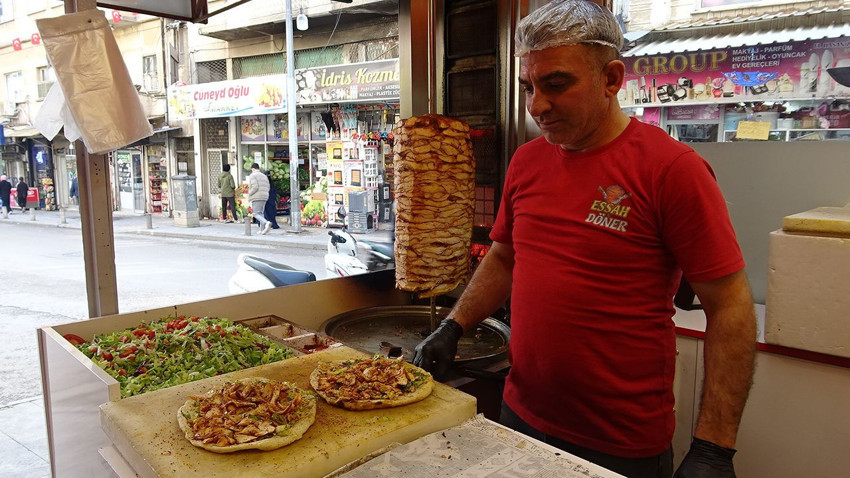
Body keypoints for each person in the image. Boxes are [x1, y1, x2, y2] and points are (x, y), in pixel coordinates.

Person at [412, 2, 757, 478]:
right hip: (520, 415)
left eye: (556, 84)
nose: (537, 105)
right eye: (528, 87)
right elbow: (505, 258)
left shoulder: (673, 170)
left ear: (611, 79)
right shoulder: (528, 161)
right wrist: (454, 325)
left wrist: (714, 447)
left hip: (620, 443)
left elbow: (731, 305)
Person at [247, 162, 272, 235]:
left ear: (253, 168)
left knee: (255, 214)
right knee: (261, 213)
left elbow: (255, 187)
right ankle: (262, 230)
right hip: (265, 196)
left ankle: (266, 223)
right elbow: (268, 187)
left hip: (256, 196)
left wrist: (249, 194)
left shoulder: (253, 175)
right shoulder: (264, 176)